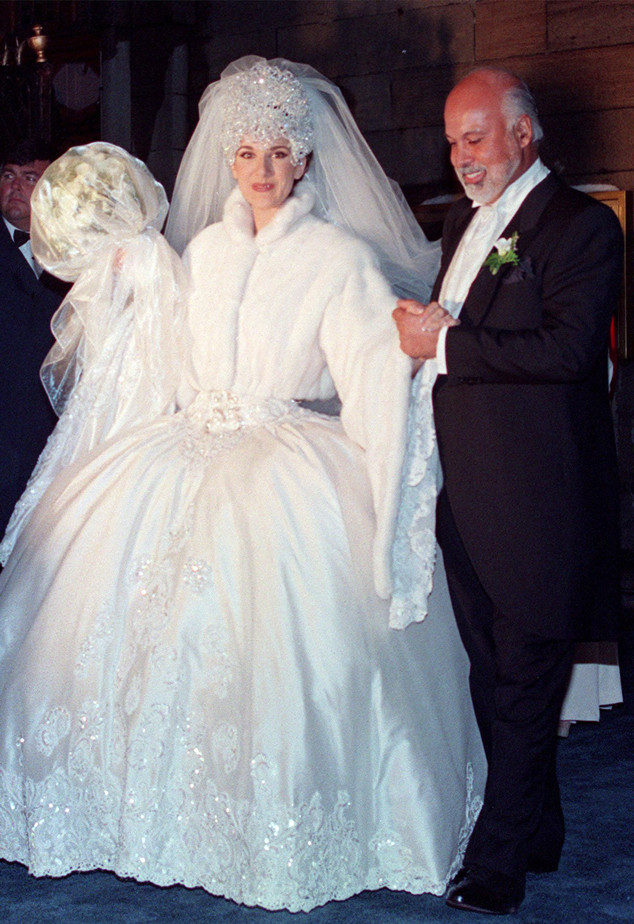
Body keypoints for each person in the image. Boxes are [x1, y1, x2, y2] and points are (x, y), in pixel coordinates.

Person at [0, 60, 485, 912]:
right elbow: (167, 358)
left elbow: (371, 374)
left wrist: (386, 510)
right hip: (179, 453)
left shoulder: (339, 260)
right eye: (247, 151)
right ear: (228, 158)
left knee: (279, 651)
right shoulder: (205, 252)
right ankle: (131, 819)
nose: (262, 168)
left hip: (285, 459)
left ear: (304, 161)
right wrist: (131, 288)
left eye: (280, 152)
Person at [393, 67, 623, 915]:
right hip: (464, 491)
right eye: (452, 142)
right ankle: (540, 824)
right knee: (492, 675)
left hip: (539, 498)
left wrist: (445, 344)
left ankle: (497, 866)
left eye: (476, 137)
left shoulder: (583, 226)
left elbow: (567, 353)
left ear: (525, 134)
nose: (461, 157)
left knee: (526, 677)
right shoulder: (462, 221)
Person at [0, 138, 68, 536]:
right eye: (8, 176)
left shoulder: (71, 249)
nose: (15, 187)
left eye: (29, 178)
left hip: (51, 431)